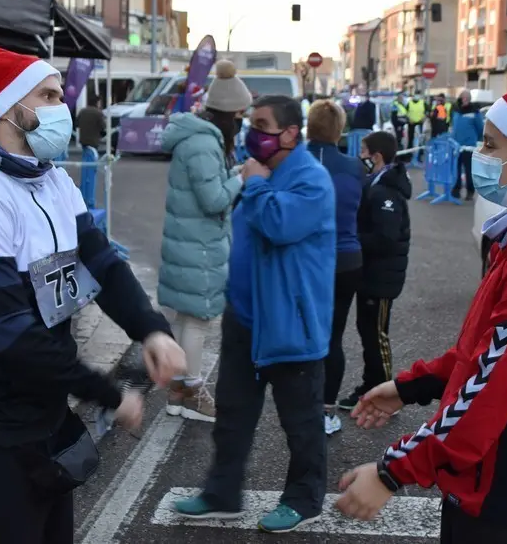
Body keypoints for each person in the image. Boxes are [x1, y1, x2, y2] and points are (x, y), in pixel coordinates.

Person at [336, 82, 507, 544]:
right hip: (503, 484)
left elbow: (490, 390)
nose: (478, 155)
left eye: (490, 144)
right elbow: (483, 353)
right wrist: (410, 387)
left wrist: (392, 471)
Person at [0, 47, 186, 544]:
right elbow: (12, 335)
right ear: (8, 109)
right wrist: (108, 394)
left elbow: (103, 264)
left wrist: (151, 330)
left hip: (48, 416)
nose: (62, 108)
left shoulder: (55, 183)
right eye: (48, 96)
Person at [174, 95, 336, 533]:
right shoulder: (260, 172)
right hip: (245, 318)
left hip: (290, 325)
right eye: (251, 123)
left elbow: (280, 225)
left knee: (301, 423)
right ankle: (221, 494)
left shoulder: (311, 179)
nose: (252, 133)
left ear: (290, 133)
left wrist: (257, 185)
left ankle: (303, 499)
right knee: (232, 414)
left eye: (262, 125)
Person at [158, 59, 252, 423]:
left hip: (190, 241)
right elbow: (213, 199)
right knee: (197, 318)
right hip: (198, 245)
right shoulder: (202, 143)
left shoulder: (197, 138)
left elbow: (209, 182)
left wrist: (234, 172)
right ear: (228, 114)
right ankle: (193, 391)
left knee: (186, 317)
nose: (241, 122)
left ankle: (177, 391)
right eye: (240, 115)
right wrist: (242, 178)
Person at [337, 130, 411, 412]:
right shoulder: (376, 183)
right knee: (367, 331)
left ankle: (384, 392)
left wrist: (352, 239)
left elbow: (385, 237)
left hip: (381, 276)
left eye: (364, 152)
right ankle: (371, 385)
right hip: (371, 274)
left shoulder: (385, 193)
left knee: (376, 336)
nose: (360, 157)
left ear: (376, 156)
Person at [306, 100, 365, 436]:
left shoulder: (293, 162)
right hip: (347, 259)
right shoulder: (355, 167)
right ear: (340, 130)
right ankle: (326, 411)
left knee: (301, 332)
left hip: (306, 260)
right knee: (334, 337)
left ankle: (301, 405)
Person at [450, 90, 484, 201]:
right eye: (462, 97)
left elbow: (480, 128)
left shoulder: (474, 112)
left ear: (469, 99)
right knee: (456, 169)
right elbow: (453, 126)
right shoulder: (456, 111)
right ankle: (456, 190)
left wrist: (475, 140)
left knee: (468, 170)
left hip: (468, 147)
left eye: (466, 98)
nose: (464, 99)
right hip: (456, 146)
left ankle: (470, 191)